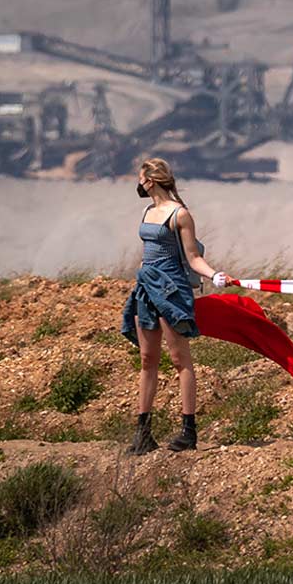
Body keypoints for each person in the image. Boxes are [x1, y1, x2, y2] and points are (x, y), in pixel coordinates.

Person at [119, 157, 220, 454]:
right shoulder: (147, 211)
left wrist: (215, 275)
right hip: (147, 287)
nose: (138, 183)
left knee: (179, 359)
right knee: (147, 359)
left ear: (150, 181)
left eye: (140, 178)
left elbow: (193, 257)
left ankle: (189, 431)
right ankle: (143, 432)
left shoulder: (180, 214)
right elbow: (147, 252)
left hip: (171, 289)